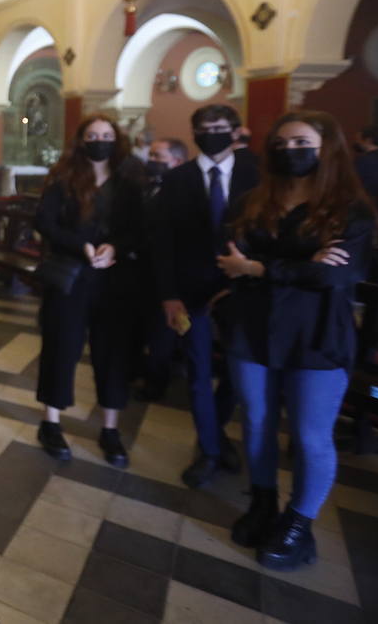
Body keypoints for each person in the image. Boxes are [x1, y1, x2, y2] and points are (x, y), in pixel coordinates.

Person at [216, 111, 374, 570]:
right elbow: (230, 258)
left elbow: (335, 276)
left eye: (301, 143)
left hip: (316, 333)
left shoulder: (351, 210)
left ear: (327, 149)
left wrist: (262, 268)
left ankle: (298, 524)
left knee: (309, 434)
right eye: (281, 143)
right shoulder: (251, 202)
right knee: (258, 421)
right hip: (254, 326)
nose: (290, 151)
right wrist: (299, 263)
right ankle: (263, 502)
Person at [152, 104, 258, 488]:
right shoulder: (177, 179)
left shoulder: (256, 174)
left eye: (219, 127)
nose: (211, 133)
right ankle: (211, 452)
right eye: (204, 127)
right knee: (198, 372)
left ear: (234, 131)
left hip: (243, 289)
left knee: (235, 371)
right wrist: (168, 295)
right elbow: (161, 242)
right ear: (195, 133)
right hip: (189, 292)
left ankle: (213, 434)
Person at [33, 114, 144, 466]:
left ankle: (110, 428)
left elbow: (138, 228)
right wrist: (78, 245)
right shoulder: (64, 178)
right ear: (81, 140)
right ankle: (50, 421)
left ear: (117, 140)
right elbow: (44, 222)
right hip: (70, 277)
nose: (99, 140)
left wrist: (115, 247)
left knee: (112, 354)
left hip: (113, 280)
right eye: (92, 135)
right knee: (61, 348)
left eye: (106, 135)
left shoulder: (129, 181)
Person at [136, 136, 190, 401]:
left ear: (177, 162)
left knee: (163, 334)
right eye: (152, 156)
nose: (152, 161)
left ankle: (156, 383)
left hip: (168, 275)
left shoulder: (184, 191)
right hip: (144, 270)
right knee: (147, 327)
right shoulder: (149, 186)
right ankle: (143, 373)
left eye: (159, 157)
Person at [354, 124, 378, 215]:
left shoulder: (364, 160)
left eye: (358, 140)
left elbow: (361, 189)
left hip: (366, 212)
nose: (357, 143)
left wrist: (376, 217)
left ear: (368, 141)